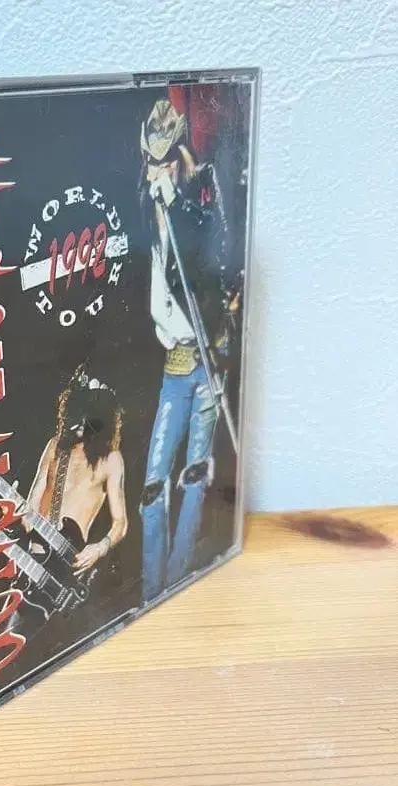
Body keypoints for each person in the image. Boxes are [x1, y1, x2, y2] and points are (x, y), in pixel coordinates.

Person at [137, 98, 241, 603]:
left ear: (180, 159)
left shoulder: (198, 204)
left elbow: (210, 256)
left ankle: (179, 578)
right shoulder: (147, 210)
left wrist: (175, 205)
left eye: (166, 162)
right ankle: (150, 589)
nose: (158, 172)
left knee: (196, 472)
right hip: (173, 366)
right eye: (151, 163)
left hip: (206, 357)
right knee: (153, 484)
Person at [24, 366, 128, 574]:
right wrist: (23, 517)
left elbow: (121, 522)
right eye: (79, 413)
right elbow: (33, 500)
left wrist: (99, 549)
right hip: (36, 557)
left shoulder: (111, 460)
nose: (80, 421)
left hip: (71, 563)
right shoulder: (55, 446)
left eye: (88, 416)